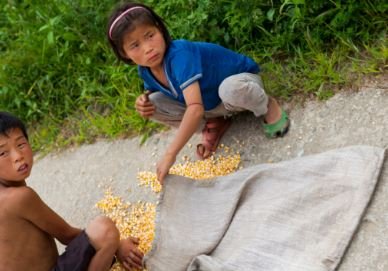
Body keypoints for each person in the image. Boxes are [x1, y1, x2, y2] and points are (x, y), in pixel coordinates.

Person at [107, 2, 290, 184]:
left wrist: (170, 154)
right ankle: (215, 121)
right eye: (135, 45)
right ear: (124, 54)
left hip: (240, 84)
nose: (148, 48)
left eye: (150, 35)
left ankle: (267, 105)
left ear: (160, 29)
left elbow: (194, 108)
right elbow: (158, 89)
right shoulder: (145, 69)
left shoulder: (179, 55)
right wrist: (143, 100)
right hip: (211, 104)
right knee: (152, 103)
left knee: (230, 89)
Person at [0, 111, 143, 271]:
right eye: (3, 153)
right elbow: (67, 235)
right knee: (105, 230)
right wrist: (118, 245)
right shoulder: (19, 198)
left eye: (20, 144)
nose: (18, 156)